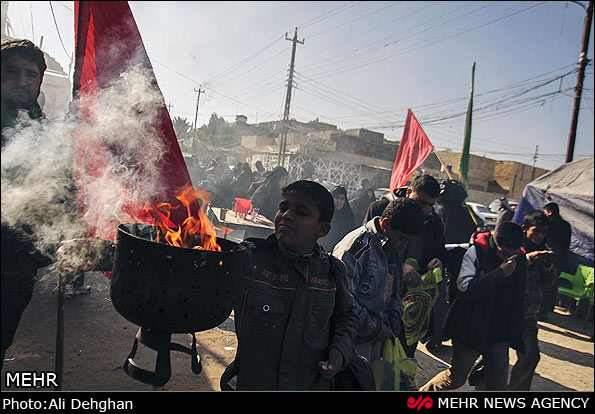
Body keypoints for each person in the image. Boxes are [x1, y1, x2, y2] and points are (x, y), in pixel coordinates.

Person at [220, 180, 358, 390]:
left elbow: (347, 317)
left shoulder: (332, 273)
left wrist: (340, 350)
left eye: (301, 212)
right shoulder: (250, 259)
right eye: (283, 207)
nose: (286, 215)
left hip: (310, 384)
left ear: (322, 229)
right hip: (255, 383)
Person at [420, 221, 526, 391]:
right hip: (470, 327)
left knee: (497, 384)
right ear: (495, 243)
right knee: (455, 378)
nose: (508, 258)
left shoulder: (518, 259)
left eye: (512, 255)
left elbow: (518, 297)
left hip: (498, 331)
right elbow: (465, 290)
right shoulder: (477, 252)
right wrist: (500, 273)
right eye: (504, 253)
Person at [332, 197, 425, 388]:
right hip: (352, 342)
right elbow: (343, 300)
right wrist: (374, 328)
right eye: (402, 239)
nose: (403, 246)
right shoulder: (356, 248)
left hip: (378, 341)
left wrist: (393, 317)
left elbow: (395, 293)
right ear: (386, 224)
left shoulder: (394, 247)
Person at [1, 39, 53, 366]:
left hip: (21, 260)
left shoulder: (43, 128)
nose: (22, 81)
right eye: (12, 72)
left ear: (38, 83)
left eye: (30, 75)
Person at [364, 175, 447, 354]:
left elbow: (440, 250)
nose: (425, 209)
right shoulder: (380, 209)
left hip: (415, 299)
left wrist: (438, 261)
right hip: (381, 295)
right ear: (409, 193)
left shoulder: (434, 221)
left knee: (405, 352)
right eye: (421, 202)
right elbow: (370, 248)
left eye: (431, 205)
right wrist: (399, 268)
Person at [509, 209, 557, 390]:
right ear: (524, 229)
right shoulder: (512, 246)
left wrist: (548, 266)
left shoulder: (545, 250)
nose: (539, 236)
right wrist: (527, 259)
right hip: (506, 310)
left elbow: (548, 284)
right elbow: (504, 272)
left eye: (543, 232)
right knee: (491, 356)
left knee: (530, 357)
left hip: (528, 315)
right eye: (535, 231)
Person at [541, 202, 572, 319]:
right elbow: (567, 243)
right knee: (554, 283)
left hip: (548, 256)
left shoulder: (548, 224)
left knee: (544, 283)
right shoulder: (566, 225)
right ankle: (550, 306)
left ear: (550, 212)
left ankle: (543, 310)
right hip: (561, 257)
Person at [319, 185, 357, 253]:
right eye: (337, 198)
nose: (339, 201)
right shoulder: (325, 213)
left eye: (342, 199)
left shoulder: (348, 215)